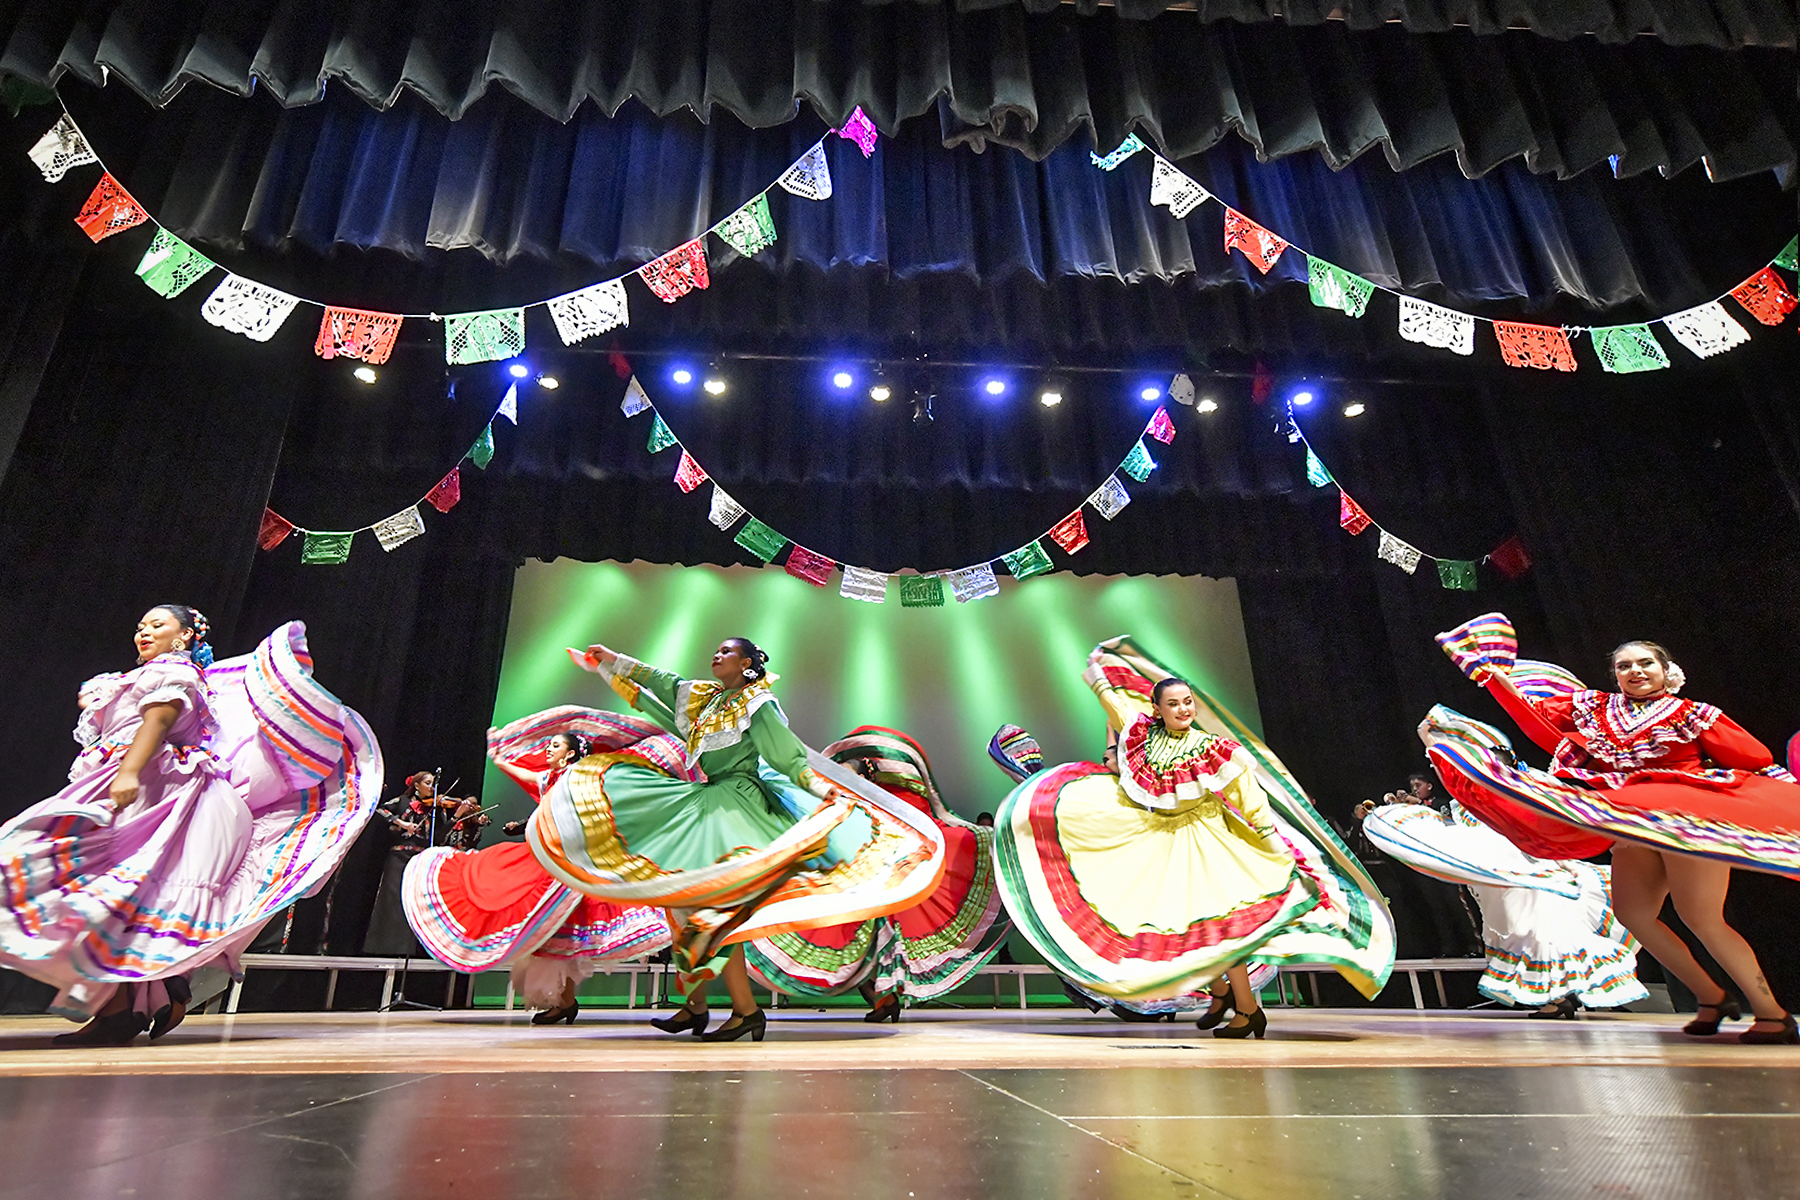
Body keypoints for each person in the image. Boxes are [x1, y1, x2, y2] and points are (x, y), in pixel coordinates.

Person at [526, 638, 945, 1043]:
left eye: (727, 651)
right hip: (707, 801)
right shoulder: (706, 700)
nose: (717, 654)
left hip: (737, 805)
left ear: (747, 664)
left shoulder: (758, 703)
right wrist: (610, 662)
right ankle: (696, 1005)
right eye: (718, 649)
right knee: (681, 901)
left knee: (718, 911)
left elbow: (786, 757)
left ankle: (746, 1011)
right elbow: (662, 685)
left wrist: (823, 793)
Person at [0, 606, 381, 1046]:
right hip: (148, 787)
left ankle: (130, 1005)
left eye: (157, 624)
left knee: (118, 894)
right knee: (123, 899)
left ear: (184, 636)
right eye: (141, 625)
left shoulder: (176, 673)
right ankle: (155, 993)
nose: (144, 631)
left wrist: (129, 771)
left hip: (165, 792)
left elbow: (158, 722)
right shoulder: (135, 678)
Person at [989, 637, 1396, 1038]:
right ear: (1158, 708)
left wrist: (1267, 837)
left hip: (1209, 839)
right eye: (1174, 703)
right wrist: (1099, 674)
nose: (1184, 709)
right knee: (1184, 925)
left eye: (1187, 702)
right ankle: (1222, 994)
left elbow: (1246, 794)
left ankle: (1246, 1009)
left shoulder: (1211, 748)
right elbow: (1116, 706)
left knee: (1222, 925)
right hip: (1165, 840)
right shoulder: (1143, 737)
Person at [1425, 612, 1800, 1043]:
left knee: (1701, 917)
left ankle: (1772, 1013)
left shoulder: (1695, 714)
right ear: (1614, 674)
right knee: (1634, 915)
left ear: (1666, 671)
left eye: (1645, 664)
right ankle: (1711, 996)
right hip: (1629, 821)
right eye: (1625, 666)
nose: (1635, 671)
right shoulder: (1596, 708)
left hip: (1684, 821)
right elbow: (1538, 720)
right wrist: (1493, 677)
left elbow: (1751, 755)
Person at [401, 712, 673, 1023]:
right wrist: (498, 756)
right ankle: (565, 1002)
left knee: (567, 937)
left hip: (571, 862)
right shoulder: (549, 778)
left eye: (555, 745)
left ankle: (564, 1001)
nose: (548, 750)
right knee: (555, 934)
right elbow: (526, 777)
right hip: (547, 859)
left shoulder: (584, 779)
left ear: (570, 753)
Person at [742, 727, 1011, 1021]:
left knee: (876, 923)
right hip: (879, 862)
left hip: (889, 859)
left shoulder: (889, 808)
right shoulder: (864, 809)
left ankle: (884, 998)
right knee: (870, 926)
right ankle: (884, 998)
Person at [1359, 797, 1646, 1016]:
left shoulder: (1490, 807)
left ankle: (1560, 998)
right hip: (1508, 874)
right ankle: (1561, 997)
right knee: (1533, 932)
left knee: (1535, 933)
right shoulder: (1478, 809)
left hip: (1515, 874)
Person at [363, 771, 457, 957]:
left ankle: (409, 950)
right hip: (399, 857)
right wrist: (402, 823)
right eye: (428, 783)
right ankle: (384, 948)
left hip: (420, 860)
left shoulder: (435, 809)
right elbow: (380, 810)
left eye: (432, 784)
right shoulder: (402, 801)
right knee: (393, 901)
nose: (432, 787)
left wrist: (455, 816)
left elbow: (439, 836)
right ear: (417, 785)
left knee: (415, 903)